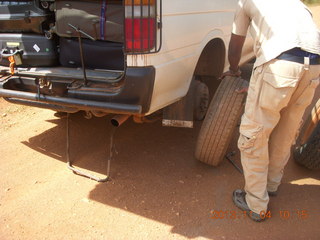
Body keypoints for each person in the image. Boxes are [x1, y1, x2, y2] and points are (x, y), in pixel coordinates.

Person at [223, 0, 320, 222]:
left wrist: (235, 70)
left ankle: (255, 203)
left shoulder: (246, 1)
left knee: (254, 133)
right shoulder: (295, 2)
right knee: (287, 129)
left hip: (279, 62)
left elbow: (236, 44)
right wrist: (263, 83)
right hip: (314, 65)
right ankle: (272, 183)